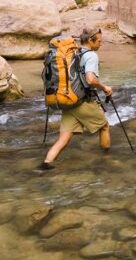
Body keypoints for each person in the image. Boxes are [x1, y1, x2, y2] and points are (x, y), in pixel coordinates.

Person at [40, 28, 113, 171]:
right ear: (90, 41)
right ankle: (107, 160)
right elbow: (91, 80)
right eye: (99, 41)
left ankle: (46, 164)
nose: (100, 44)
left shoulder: (74, 52)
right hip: (82, 101)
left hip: (68, 100)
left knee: (64, 138)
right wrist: (104, 87)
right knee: (104, 126)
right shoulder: (91, 55)